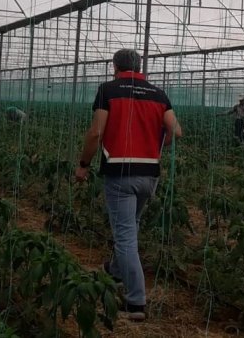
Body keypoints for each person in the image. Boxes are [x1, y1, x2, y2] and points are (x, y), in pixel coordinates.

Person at [74, 49, 182, 322]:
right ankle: (116, 271)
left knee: (125, 236)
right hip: (150, 174)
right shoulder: (158, 93)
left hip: (120, 173)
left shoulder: (108, 90)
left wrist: (83, 165)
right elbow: (175, 131)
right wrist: (154, 148)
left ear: (115, 67)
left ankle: (135, 303)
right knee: (130, 225)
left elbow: (96, 132)